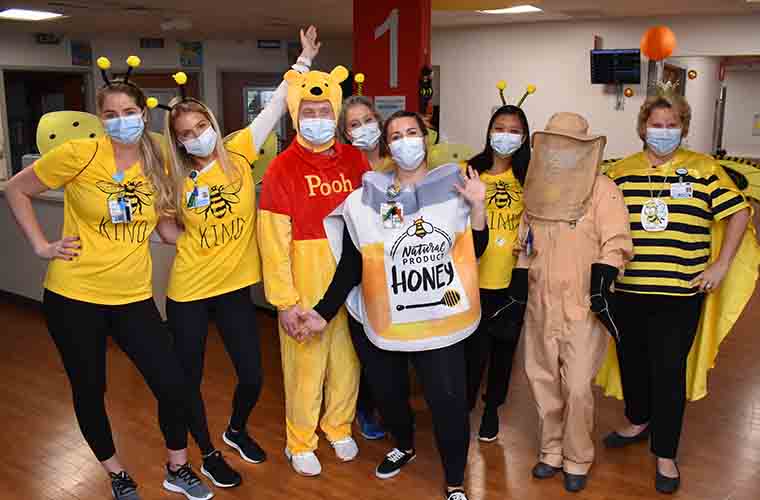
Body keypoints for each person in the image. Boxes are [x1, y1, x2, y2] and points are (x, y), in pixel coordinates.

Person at [4, 57, 212, 500]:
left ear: (143, 114)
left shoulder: (157, 156)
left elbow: (166, 228)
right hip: (73, 295)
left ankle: (177, 467)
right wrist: (42, 246)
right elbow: (15, 189)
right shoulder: (79, 154)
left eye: (129, 113)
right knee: (89, 388)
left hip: (133, 297)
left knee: (173, 384)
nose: (121, 122)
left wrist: (205, 232)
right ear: (101, 119)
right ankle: (116, 472)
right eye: (111, 115)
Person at [155, 27, 321, 489]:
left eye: (201, 127)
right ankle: (205, 453)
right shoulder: (174, 177)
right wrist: (174, 229)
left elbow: (274, 105)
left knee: (252, 374)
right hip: (189, 290)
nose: (196, 137)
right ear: (178, 141)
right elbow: (166, 229)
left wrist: (303, 59)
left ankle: (235, 429)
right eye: (186, 134)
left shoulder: (238, 150)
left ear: (212, 123)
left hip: (235, 287)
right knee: (187, 379)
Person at [303, 111, 488, 500]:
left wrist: (478, 209)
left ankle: (455, 480)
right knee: (388, 394)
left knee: (448, 403)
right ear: (387, 146)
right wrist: (322, 311)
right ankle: (404, 444)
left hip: (440, 321)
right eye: (396, 136)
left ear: (425, 138)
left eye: (412, 133)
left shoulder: (456, 188)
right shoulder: (368, 197)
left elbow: (476, 250)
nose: (406, 141)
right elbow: (354, 262)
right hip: (384, 320)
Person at [598, 86, 758, 494]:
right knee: (631, 361)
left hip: (680, 293)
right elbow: (596, 217)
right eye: (657, 125)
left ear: (684, 128)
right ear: (643, 127)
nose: (664, 131)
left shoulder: (704, 168)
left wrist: (720, 264)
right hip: (627, 289)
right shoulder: (621, 170)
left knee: (668, 371)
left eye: (672, 125)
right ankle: (637, 420)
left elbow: (740, 212)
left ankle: (665, 453)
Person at [502, 112, 633, 492]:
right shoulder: (537, 188)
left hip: (582, 305)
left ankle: (578, 457)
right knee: (542, 381)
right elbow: (524, 245)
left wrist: (602, 285)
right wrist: (518, 290)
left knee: (576, 386)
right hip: (540, 305)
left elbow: (617, 242)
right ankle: (552, 451)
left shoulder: (602, 189)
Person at [256, 64, 370, 477]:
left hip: (350, 279)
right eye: (309, 111)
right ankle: (299, 439)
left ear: (336, 113)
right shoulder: (281, 169)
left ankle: (338, 426)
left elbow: (372, 221)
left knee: (347, 360)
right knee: (305, 365)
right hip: (304, 278)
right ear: (295, 114)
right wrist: (284, 302)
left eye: (325, 111)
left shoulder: (356, 161)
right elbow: (272, 242)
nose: (318, 120)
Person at [463, 104, 530, 442]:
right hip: (472, 279)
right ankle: (464, 408)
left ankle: (492, 410)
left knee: (503, 352)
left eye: (514, 130)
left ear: (524, 136)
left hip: (511, 281)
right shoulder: (470, 171)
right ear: (489, 131)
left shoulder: (529, 177)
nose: (505, 135)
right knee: (471, 353)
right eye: (499, 128)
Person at [336, 91, 387, 440]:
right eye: (354, 124)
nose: (363, 128)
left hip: (396, 267)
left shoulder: (396, 162)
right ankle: (365, 408)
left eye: (368, 120)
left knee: (391, 342)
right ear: (345, 133)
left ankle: (390, 404)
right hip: (355, 265)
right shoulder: (342, 170)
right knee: (364, 344)